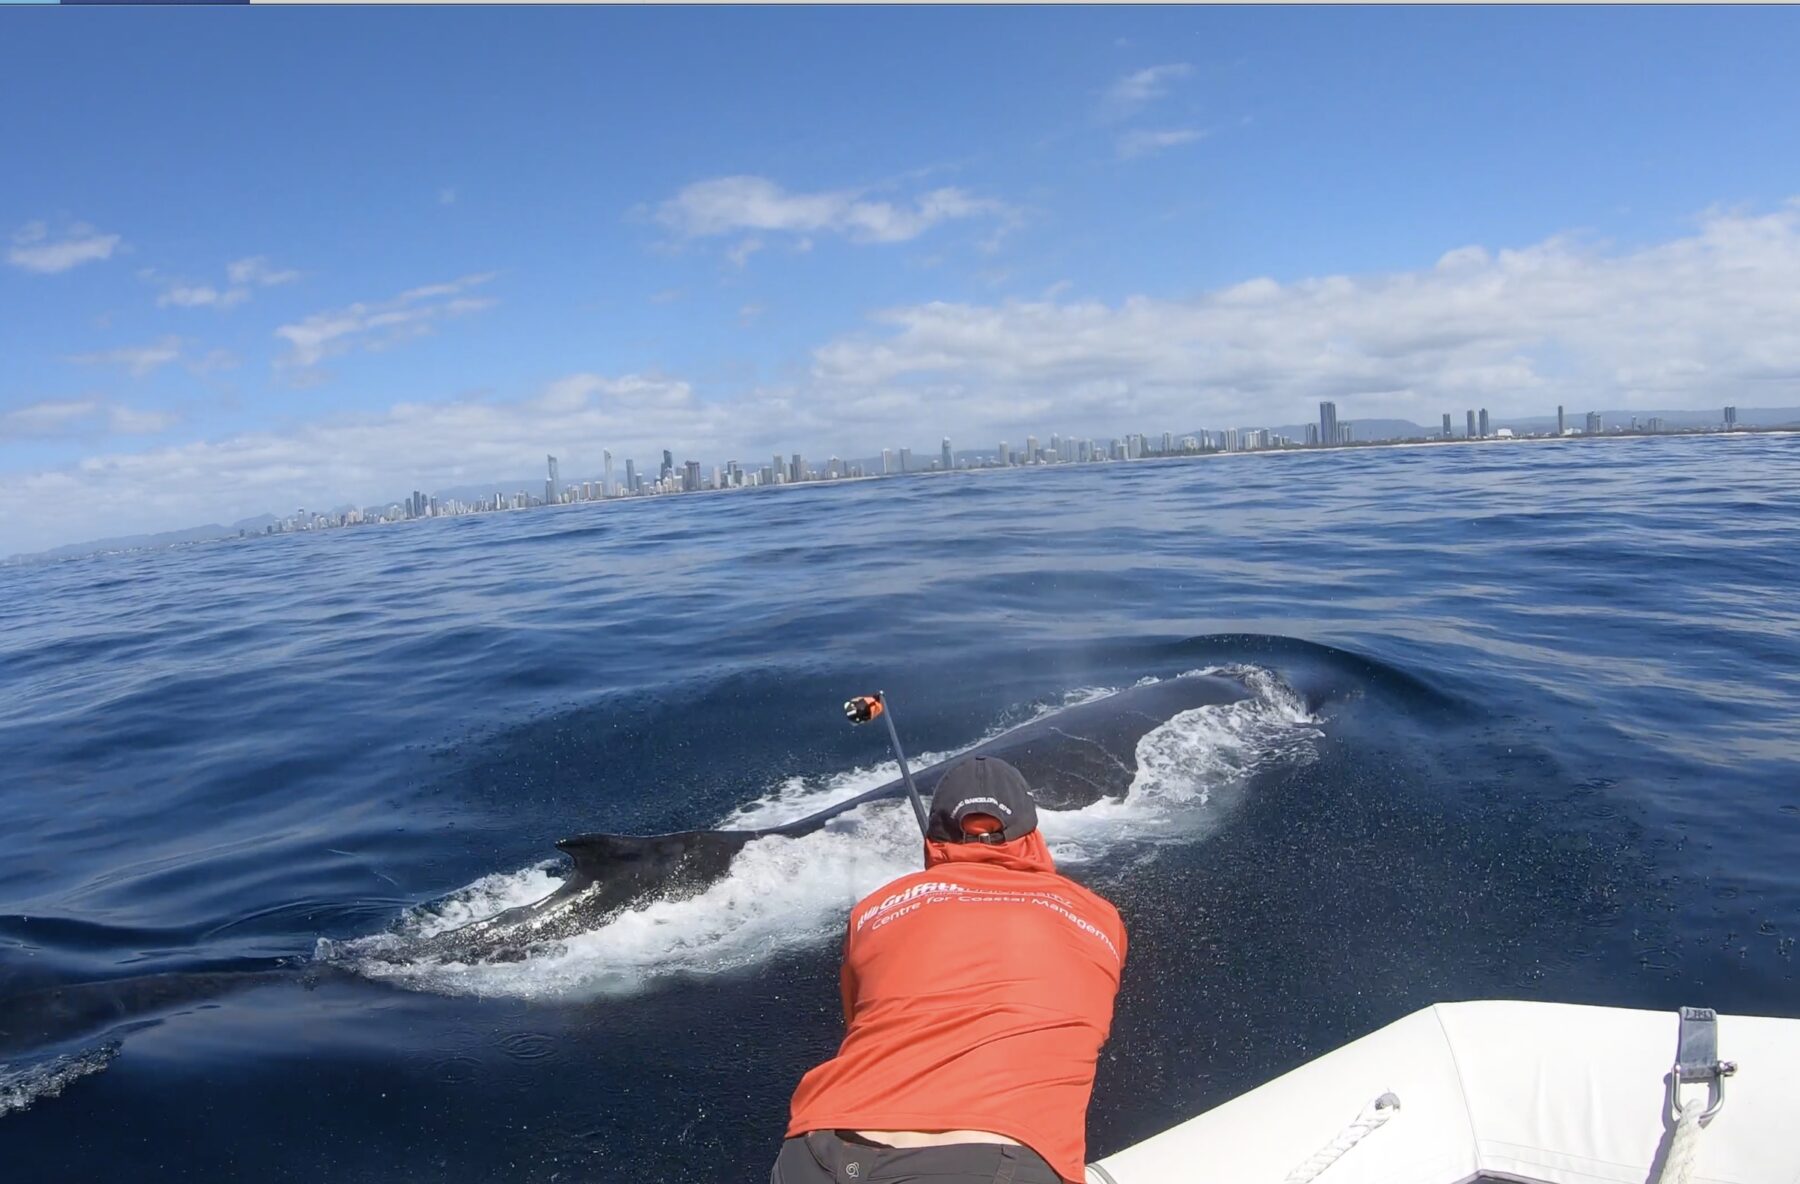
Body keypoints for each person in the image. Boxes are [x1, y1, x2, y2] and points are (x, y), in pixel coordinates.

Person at [773, 755, 1127, 1184]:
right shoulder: (1099, 917)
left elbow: (859, 1019)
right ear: (1032, 836)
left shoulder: (871, 910)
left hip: (817, 1150)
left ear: (934, 839)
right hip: (985, 1160)